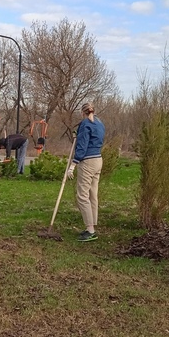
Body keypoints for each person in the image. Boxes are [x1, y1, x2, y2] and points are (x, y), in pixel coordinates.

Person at [67, 102, 105, 242]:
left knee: (82, 196)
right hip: (98, 160)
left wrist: (73, 165)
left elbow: (82, 145)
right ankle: (92, 226)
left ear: (83, 112)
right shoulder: (99, 123)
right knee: (92, 195)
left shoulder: (85, 124)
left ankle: (90, 230)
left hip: (87, 162)